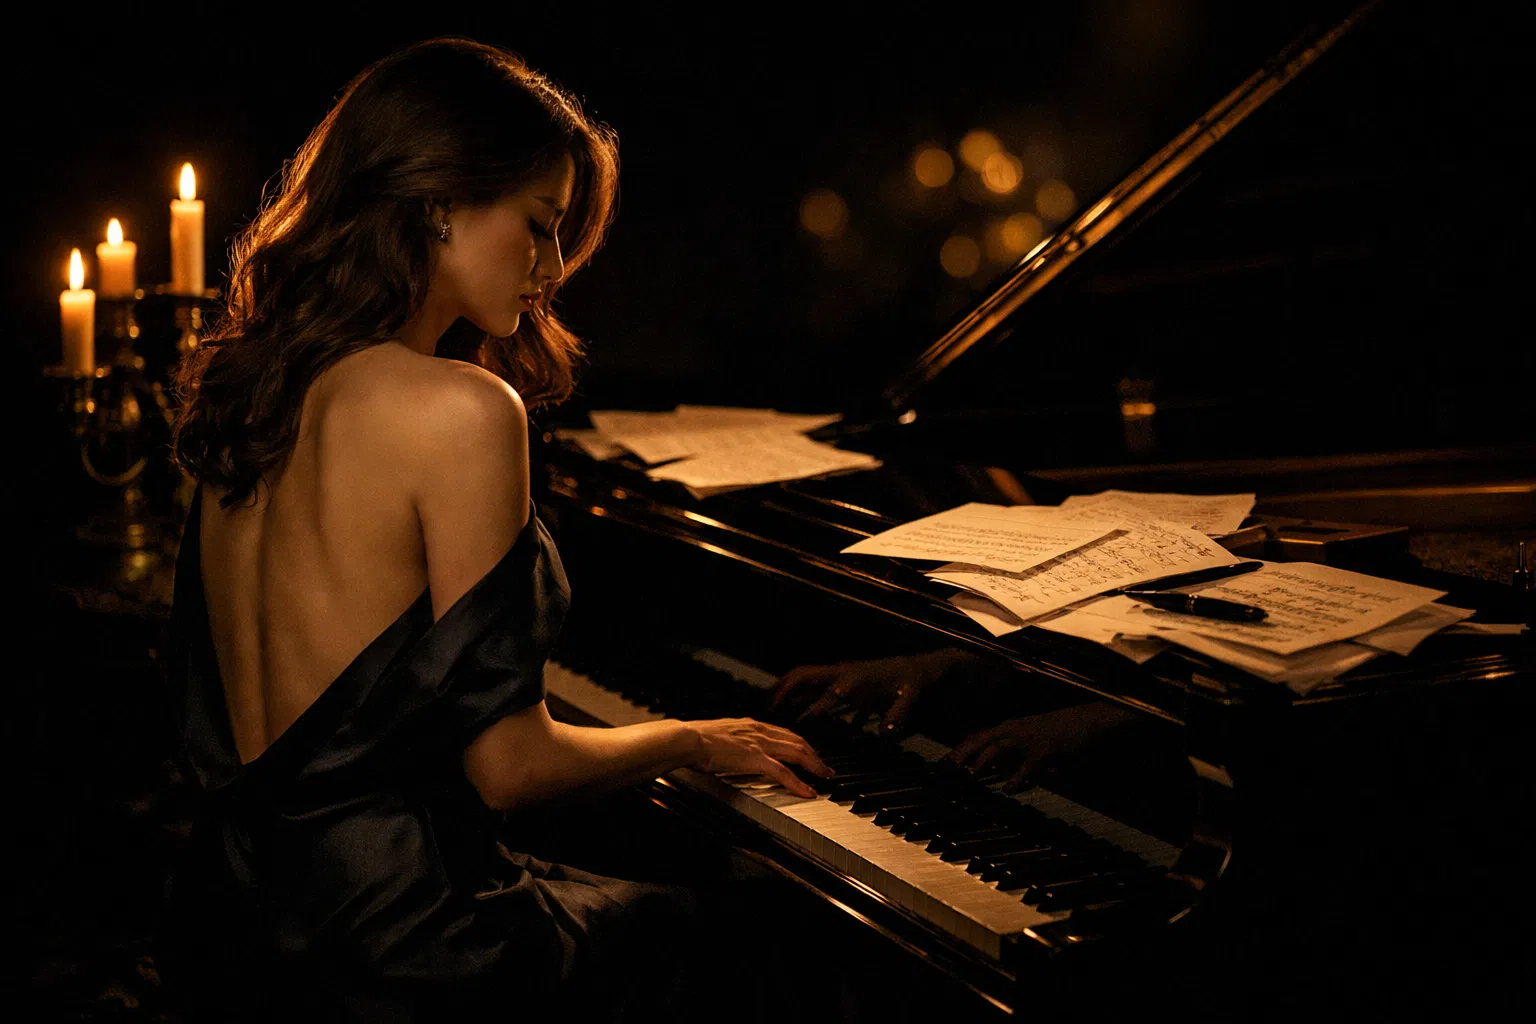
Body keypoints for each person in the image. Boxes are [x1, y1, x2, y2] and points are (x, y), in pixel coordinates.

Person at [159, 37, 832, 1021]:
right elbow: (510, 768)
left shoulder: (252, 390)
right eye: (541, 226)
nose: (553, 268)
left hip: (233, 927)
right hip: (407, 951)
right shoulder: (464, 411)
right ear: (437, 203)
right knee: (780, 941)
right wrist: (692, 735)